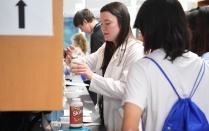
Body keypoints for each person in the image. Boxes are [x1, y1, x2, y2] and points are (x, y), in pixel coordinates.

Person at [122, 0, 209, 131]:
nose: (142, 36)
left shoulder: (143, 68)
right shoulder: (204, 66)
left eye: (142, 29)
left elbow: (129, 128)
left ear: (150, 29)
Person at [66, 2, 144, 130]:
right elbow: (88, 62)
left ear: (122, 22)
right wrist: (72, 59)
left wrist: (92, 76)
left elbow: (126, 89)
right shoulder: (107, 46)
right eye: (101, 24)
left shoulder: (135, 50)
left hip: (122, 121)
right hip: (105, 116)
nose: (103, 28)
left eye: (107, 23)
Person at [73, 8, 105, 105]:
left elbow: (97, 63)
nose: (82, 30)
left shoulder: (96, 35)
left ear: (85, 22)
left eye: (80, 27)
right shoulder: (100, 32)